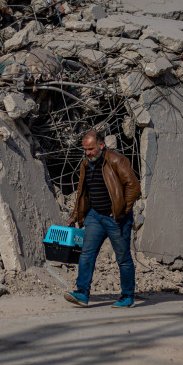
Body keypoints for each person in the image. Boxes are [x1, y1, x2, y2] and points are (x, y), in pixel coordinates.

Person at [64, 129, 141, 308]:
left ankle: (127, 296)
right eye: (85, 149)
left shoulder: (116, 160)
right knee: (86, 254)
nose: (88, 153)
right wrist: (75, 215)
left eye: (90, 149)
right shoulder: (85, 164)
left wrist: (122, 209)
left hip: (116, 219)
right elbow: (82, 192)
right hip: (95, 216)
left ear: (101, 145)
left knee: (122, 258)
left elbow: (134, 187)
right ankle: (82, 293)